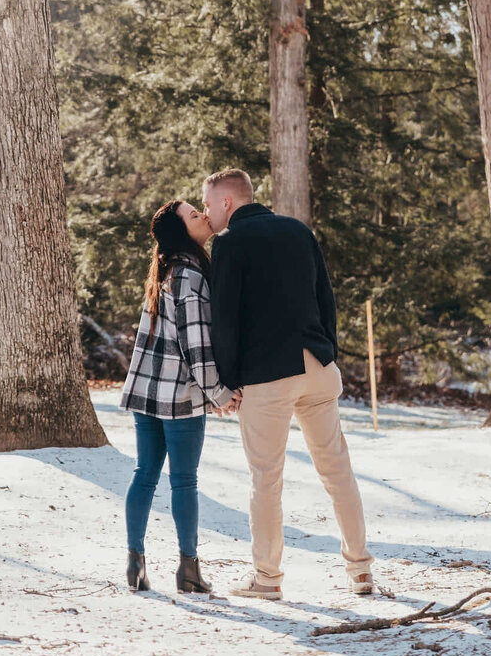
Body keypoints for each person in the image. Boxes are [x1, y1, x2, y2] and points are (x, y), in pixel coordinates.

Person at [202, 169, 374, 600]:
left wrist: (227, 379)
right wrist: (327, 349)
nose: (205, 213)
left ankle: (267, 578)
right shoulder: (298, 230)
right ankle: (361, 570)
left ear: (227, 203)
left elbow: (224, 319)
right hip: (316, 365)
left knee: (266, 479)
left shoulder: (228, 244)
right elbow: (325, 298)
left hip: (267, 376)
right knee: (338, 471)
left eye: (207, 204)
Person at [119, 200, 241, 594]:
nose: (204, 217)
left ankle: (134, 561)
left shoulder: (166, 270)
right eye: (194, 215)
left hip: (146, 391)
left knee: (145, 474)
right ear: (182, 232)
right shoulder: (189, 275)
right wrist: (219, 393)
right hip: (180, 396)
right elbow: (197, 346)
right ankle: (189, 570)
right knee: (184, 481)